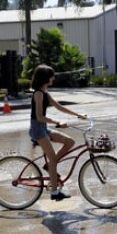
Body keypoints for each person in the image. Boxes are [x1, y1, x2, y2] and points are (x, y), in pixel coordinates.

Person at [29, 64, 86, 201]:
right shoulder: (38, 94)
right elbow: (39, 117)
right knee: (54, 159)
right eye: (51, 76)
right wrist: (57, 122)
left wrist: (78, 115)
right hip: (37, 130)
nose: (53, 78)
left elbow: (60, 107)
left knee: (70, 142)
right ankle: (55, 193)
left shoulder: (45, 93)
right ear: (45, 78)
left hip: (43, 128)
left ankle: (50, 166)